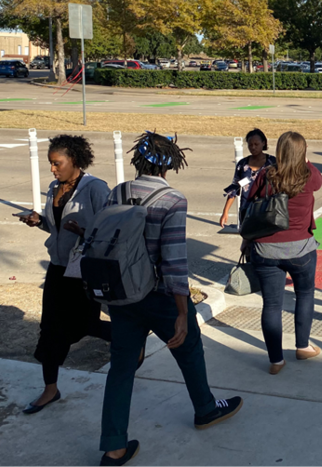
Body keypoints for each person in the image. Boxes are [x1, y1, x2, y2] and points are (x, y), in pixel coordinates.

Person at [98, 132, 242, 467]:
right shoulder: (172, 199)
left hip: (122, 295)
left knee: (120, 368)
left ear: (138, 161)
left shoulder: (116, 192)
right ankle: (205, 408)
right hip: (161, 296)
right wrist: (181, 311)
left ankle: (113, 446)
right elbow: (174, 261)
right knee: (189, 348)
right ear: (170, 163)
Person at [16, 135, 114, 415]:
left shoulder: (95, 189)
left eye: (57, 163)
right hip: (58, 268)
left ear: (75, 161)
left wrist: (83, 233)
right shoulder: (53, 188)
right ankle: (50, 389)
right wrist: (39, 222)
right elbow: (56, 227)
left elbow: (109, 231)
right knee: (49, 329)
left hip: (84, 270)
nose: (52, 169)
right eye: (50, 164)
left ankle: (129, 337)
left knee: (86, 325)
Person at [245, 131, 322, 375]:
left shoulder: (266, 175)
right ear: (302, 152)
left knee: (271, 304)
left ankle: (276, 360)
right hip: (300, 248)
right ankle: (302, 346)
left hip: (266, 248)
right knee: (305, 294)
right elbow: (319, 182)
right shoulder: (309, 175)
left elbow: (249, 202)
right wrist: (306, 160)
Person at [219, 128, 276, 227]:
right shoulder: (242, 164)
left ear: (263, 143)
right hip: (246, 211)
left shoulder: (273, 162)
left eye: (256, 144)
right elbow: (234, 188)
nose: (253, 147)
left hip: (267, 210)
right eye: (250, 145)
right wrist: (225, 211)